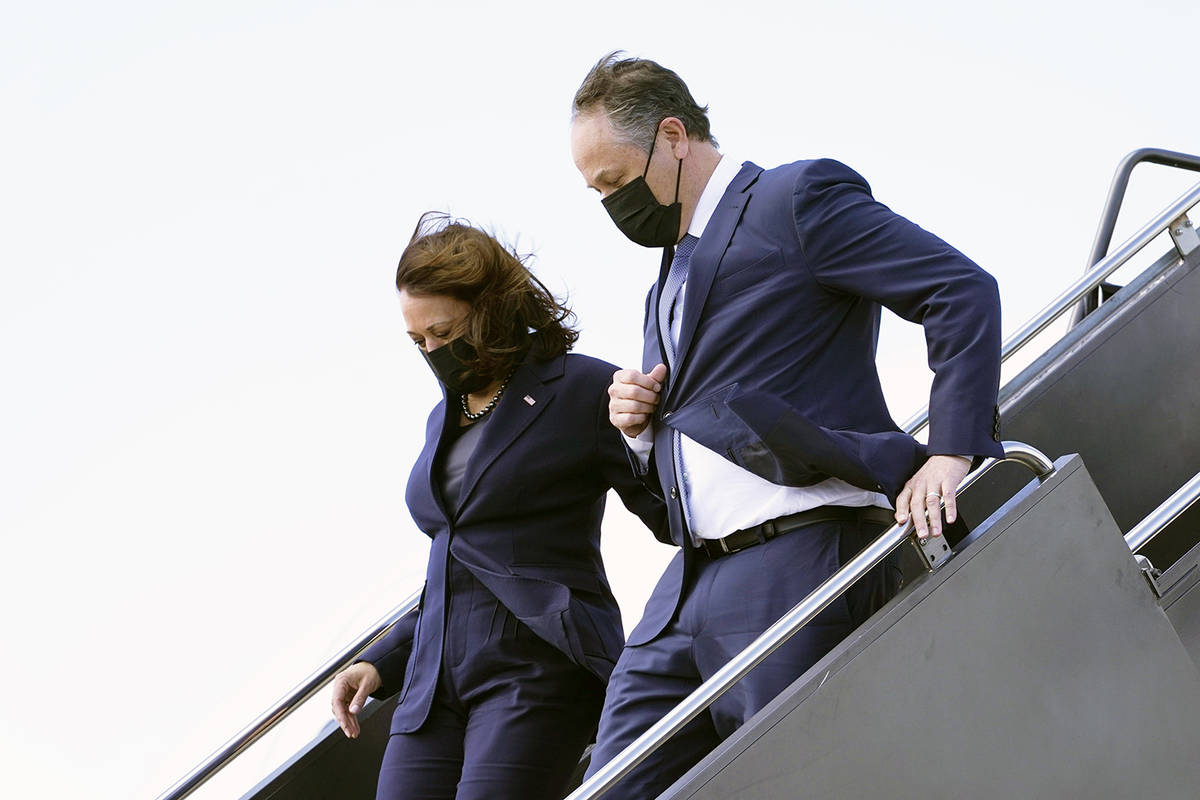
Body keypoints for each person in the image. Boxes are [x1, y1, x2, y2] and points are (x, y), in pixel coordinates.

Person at [569, 52, 1005, 797]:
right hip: (685, 590)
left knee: (790, 781)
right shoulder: (664, 281)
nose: (610, 204)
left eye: (612, 182)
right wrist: (639, 427)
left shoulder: (795, 198)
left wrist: (951, 450)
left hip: (799, 558)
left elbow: (959, 290)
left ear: (673, 136)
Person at [328, 213, 666, 800]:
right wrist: (383, 660)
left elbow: (670, 512)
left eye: (443, 332)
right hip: (431, 689)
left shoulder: (583, 388)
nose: (433, 352)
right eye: (418, 342)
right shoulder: (443, 418)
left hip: (533, 672)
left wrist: (643, 437)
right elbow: (462, 562)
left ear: (490, 309)